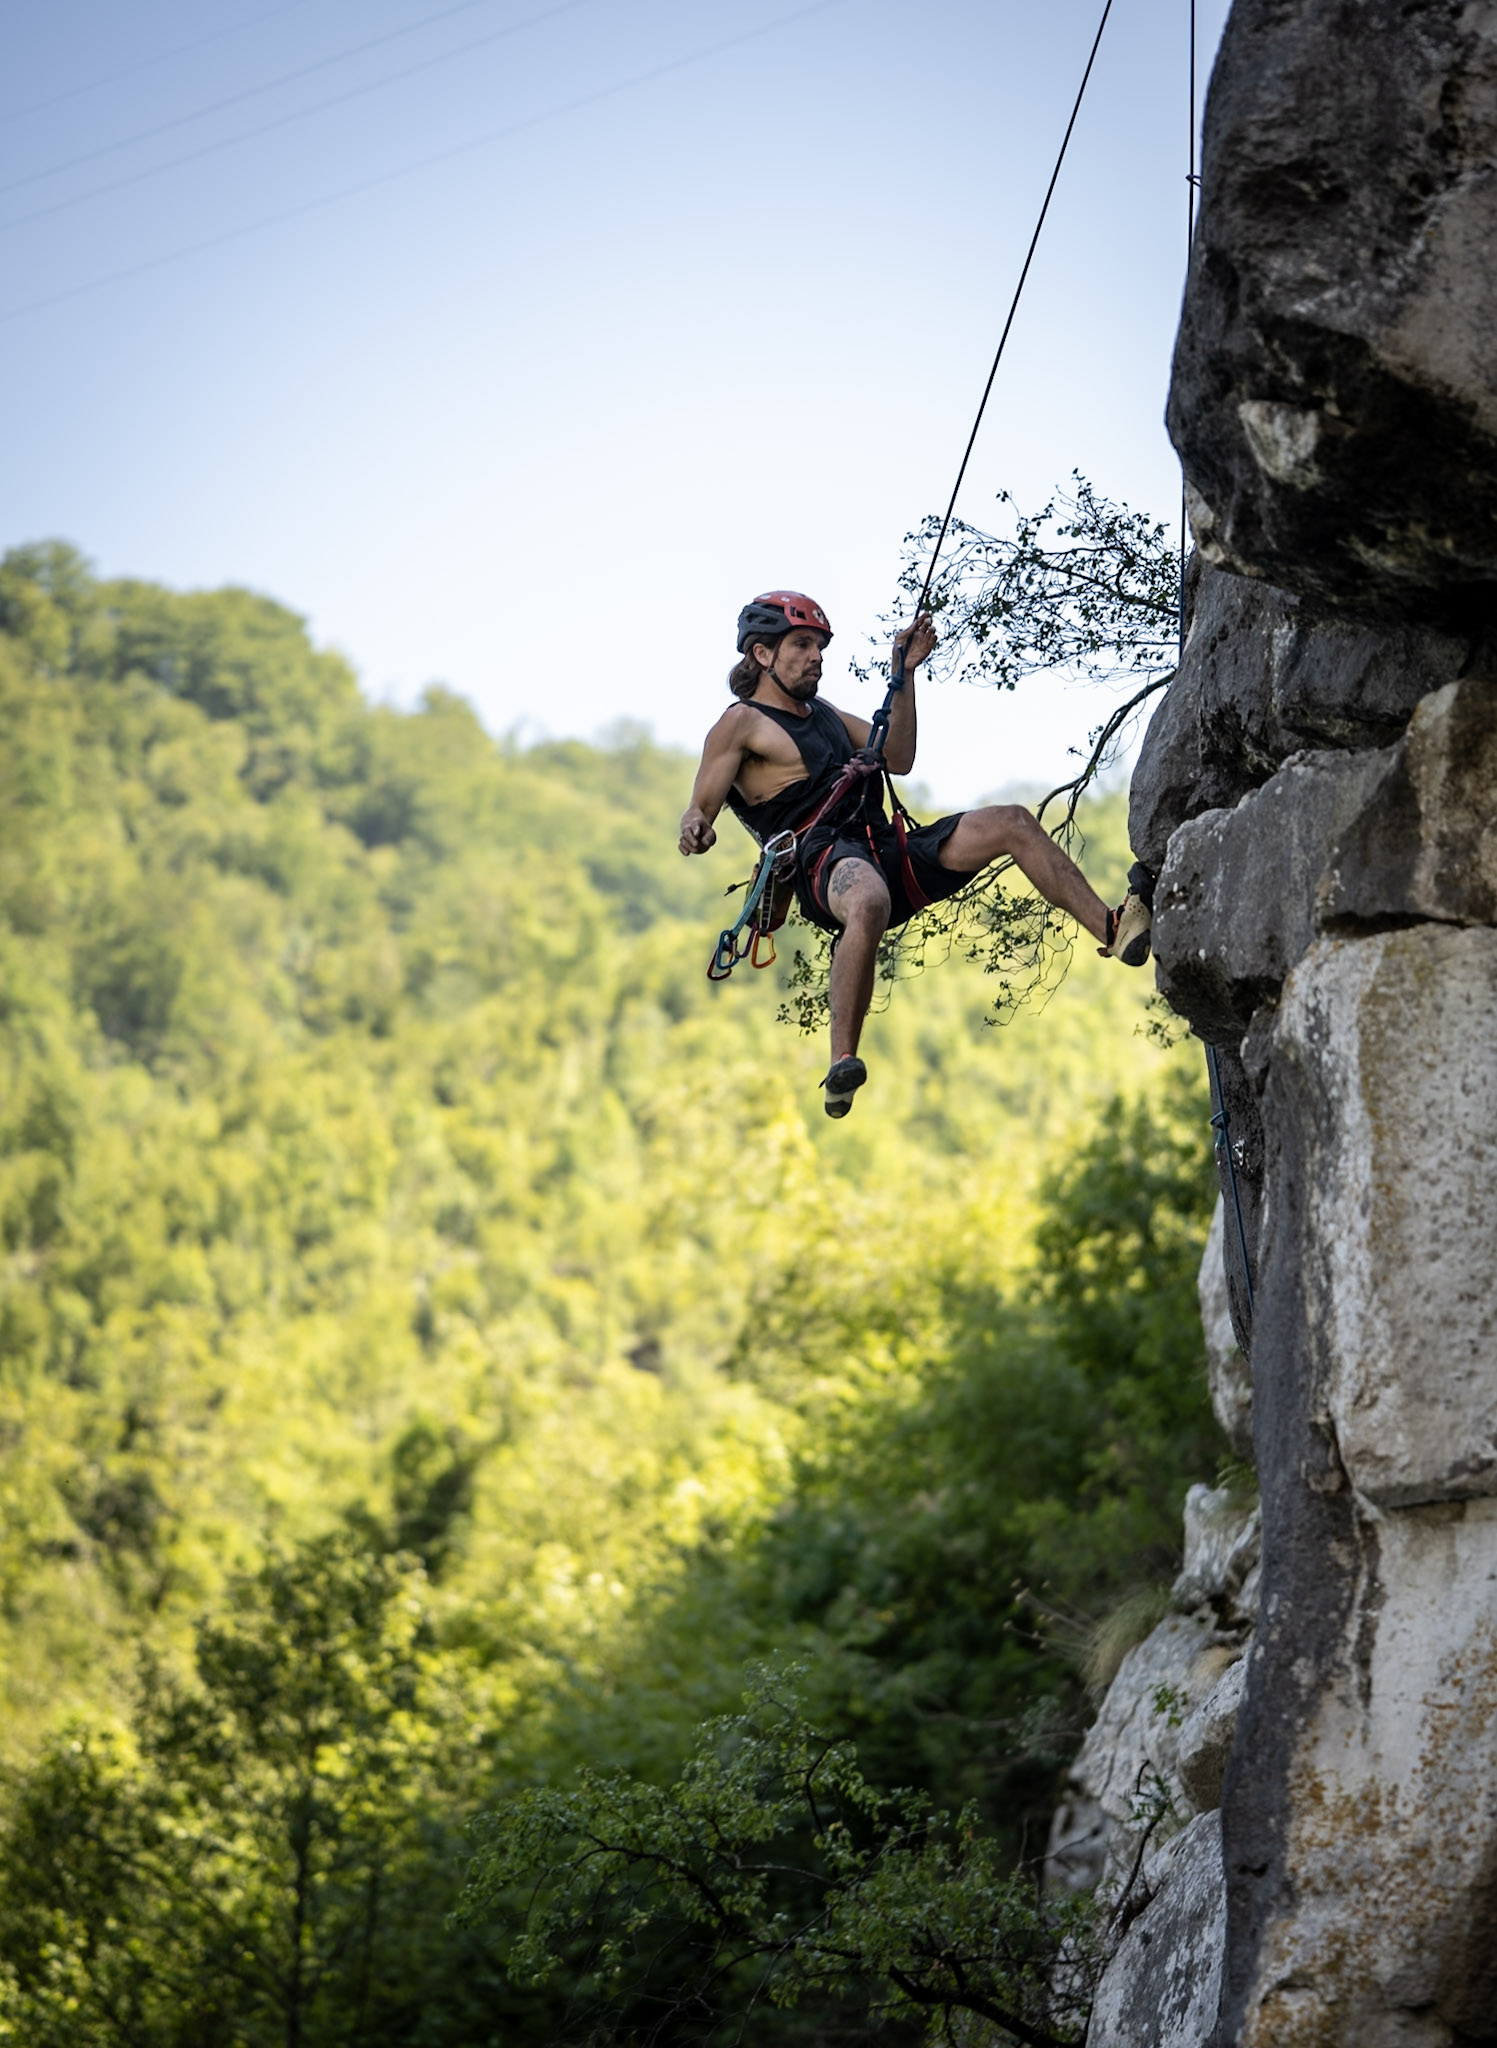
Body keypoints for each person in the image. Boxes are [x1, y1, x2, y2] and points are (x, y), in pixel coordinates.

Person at [678, 590, 1152, 1118]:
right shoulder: (740, 723)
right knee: (867, 899)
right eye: (802, 645)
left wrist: (903, 674)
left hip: (885, 845)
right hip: (823, 859)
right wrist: (695, 826)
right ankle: (841, 1063)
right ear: (762, 653)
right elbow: (700, 807)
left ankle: (1112, 929)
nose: (816, 657)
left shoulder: (826, 715)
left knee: (1013, 823)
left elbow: (897, 756)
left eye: (820, 647)